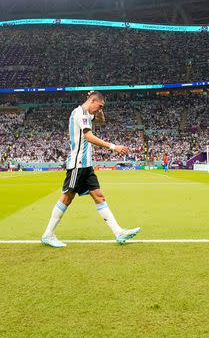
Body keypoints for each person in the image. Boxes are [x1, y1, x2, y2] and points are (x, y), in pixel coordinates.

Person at [41, 91, 141, 248]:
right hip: (78, 164)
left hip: (87, 165)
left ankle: (119, 233)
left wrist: (100, 109)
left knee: (99, 196)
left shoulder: (88, 114)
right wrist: (113, 147)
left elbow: (102, 120)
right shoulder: (80, 114)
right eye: (99, 106)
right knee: (67, 198)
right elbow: (89, 137)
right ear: (92, 100)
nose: (98, 110)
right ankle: (48, 234)